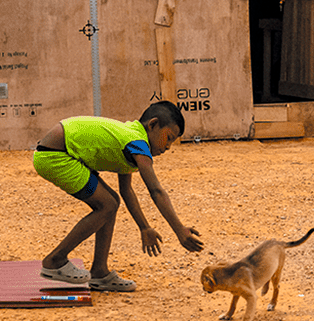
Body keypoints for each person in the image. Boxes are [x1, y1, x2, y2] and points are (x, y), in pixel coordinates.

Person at [33, 101, 204, 291]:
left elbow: (127, 191)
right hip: (55, 156)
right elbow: (156, 190)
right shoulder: (136, 143)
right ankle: (55, 260)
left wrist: (144, 227)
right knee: (107, 204)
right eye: (169, 138)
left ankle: (99, 272)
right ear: (153, 125)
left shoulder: (131, 138)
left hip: (60, 152)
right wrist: (179, 230)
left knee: (111, 201)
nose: (169, 147)